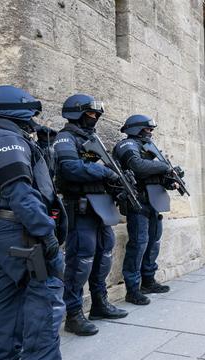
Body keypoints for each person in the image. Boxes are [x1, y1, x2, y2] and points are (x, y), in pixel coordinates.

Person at [0, 85, 66, 359]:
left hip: (4, 230)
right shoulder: (4, 140)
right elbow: (19, 192)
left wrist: (44, 149)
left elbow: (32, 182)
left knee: (8, 294)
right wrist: (45, 231)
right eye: (28, 114)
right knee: (45, 297)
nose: (31, 120)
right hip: (21, 230)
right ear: (12, 110)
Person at [54, 94, 127, 336]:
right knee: (80, 259)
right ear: (77, 112)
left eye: (96, 115)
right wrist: (104, 172)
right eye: (91, 114)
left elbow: (107, 166)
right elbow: (70, 168)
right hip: (80, 205)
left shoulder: (92, 138)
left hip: (101, 206)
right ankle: (73, 315)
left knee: (105, 252)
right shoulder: (65, 138)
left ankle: (99, 303)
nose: (94, 119)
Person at [113, 114, 179, 305]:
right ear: (137, 129)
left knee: (153, 242)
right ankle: (132, 289)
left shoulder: (149, 147)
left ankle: (148, 280)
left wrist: (170, 179)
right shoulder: (127, 145)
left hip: (154, 201)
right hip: (138, 201)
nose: (150, 133)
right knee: (139, 244)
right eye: (147, 129)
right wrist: (164, 167)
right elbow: (138, 166)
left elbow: (157, 174)